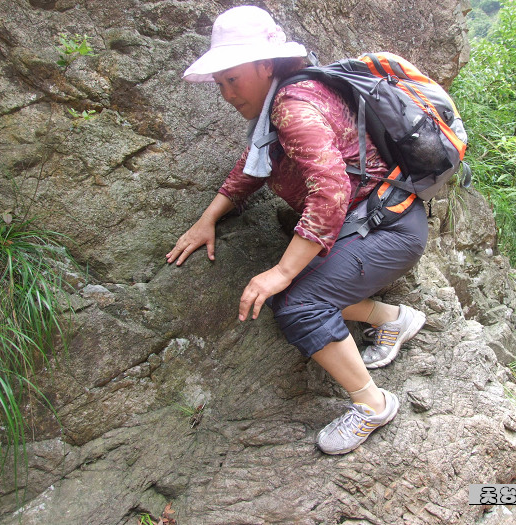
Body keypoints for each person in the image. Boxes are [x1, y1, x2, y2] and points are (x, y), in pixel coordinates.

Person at [166, 5, 428, 455]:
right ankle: (395, 319)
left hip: (386, 225)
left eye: (234, 78)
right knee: (305, 290)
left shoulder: (292, 104)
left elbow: (329, 192)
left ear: (265, 65)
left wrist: (281, 273)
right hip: (380, 219)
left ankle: (374, 404)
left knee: (297, 303)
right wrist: (207, 218)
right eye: (221, 82)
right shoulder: (282, 104)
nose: (227, 93)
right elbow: (253, 167)